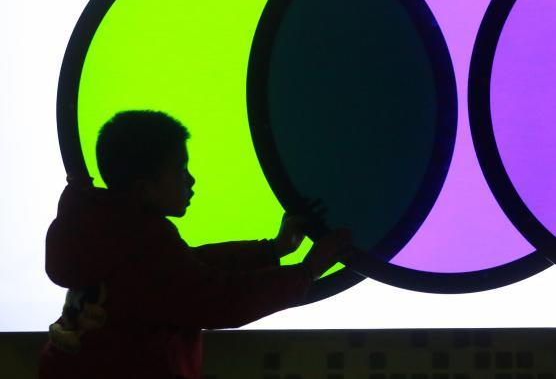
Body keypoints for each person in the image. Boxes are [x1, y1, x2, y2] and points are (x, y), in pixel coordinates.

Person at [39, 110, 351, 379]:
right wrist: (307, 272)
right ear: (145, 189)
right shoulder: (143, 240)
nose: (190, 180)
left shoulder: (102, 226)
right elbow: (218, 301)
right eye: (181, 169)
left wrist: (272, 250)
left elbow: (185, 268)